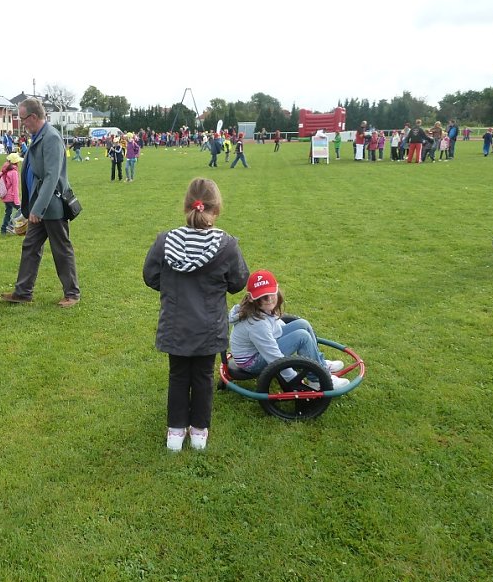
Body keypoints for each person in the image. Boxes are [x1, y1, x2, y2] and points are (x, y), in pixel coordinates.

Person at [143, 177, 249, 451]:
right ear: (216, 209)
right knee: (202, 376)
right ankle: (199, 431)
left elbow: (150, 276)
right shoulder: (226, 245)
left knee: (178, 375)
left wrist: (172, 289)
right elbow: (238, 282)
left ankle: (175, 433)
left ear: (186, 206)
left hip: (175, 323)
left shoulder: (165, 241)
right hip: (209, 325)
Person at [0, 98, 80, 308]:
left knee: (61, 248)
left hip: (51, 207)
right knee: (30, 246)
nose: (21, 123)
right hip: (39, 206)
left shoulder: (51, 137)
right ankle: (23, 292)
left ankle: (72, 294)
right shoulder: (38, 136)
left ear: (33, 117)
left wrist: (38, 208)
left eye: (23, 118)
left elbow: (52, 177)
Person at [228, 269, 350, 391]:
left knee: (303, 324)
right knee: (302, 336)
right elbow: (272, 355)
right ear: (251, 298)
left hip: (259, 349)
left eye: (271, 293)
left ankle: (319, 365)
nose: (269, 299)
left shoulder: (261, 308)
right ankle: (317, 380)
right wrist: (293, 378)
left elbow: (276, 325)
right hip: (251, 362)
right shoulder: (257, 324)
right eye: (263, 296)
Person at [0, 152, 22, 235]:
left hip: (5, 196)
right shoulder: (14, 172)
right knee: (22, 210)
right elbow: (15, 187)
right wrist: (17, 200)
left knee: (8, 212)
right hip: (11, 196)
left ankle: (3, 229)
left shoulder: (5, 170)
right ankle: (10, 225)